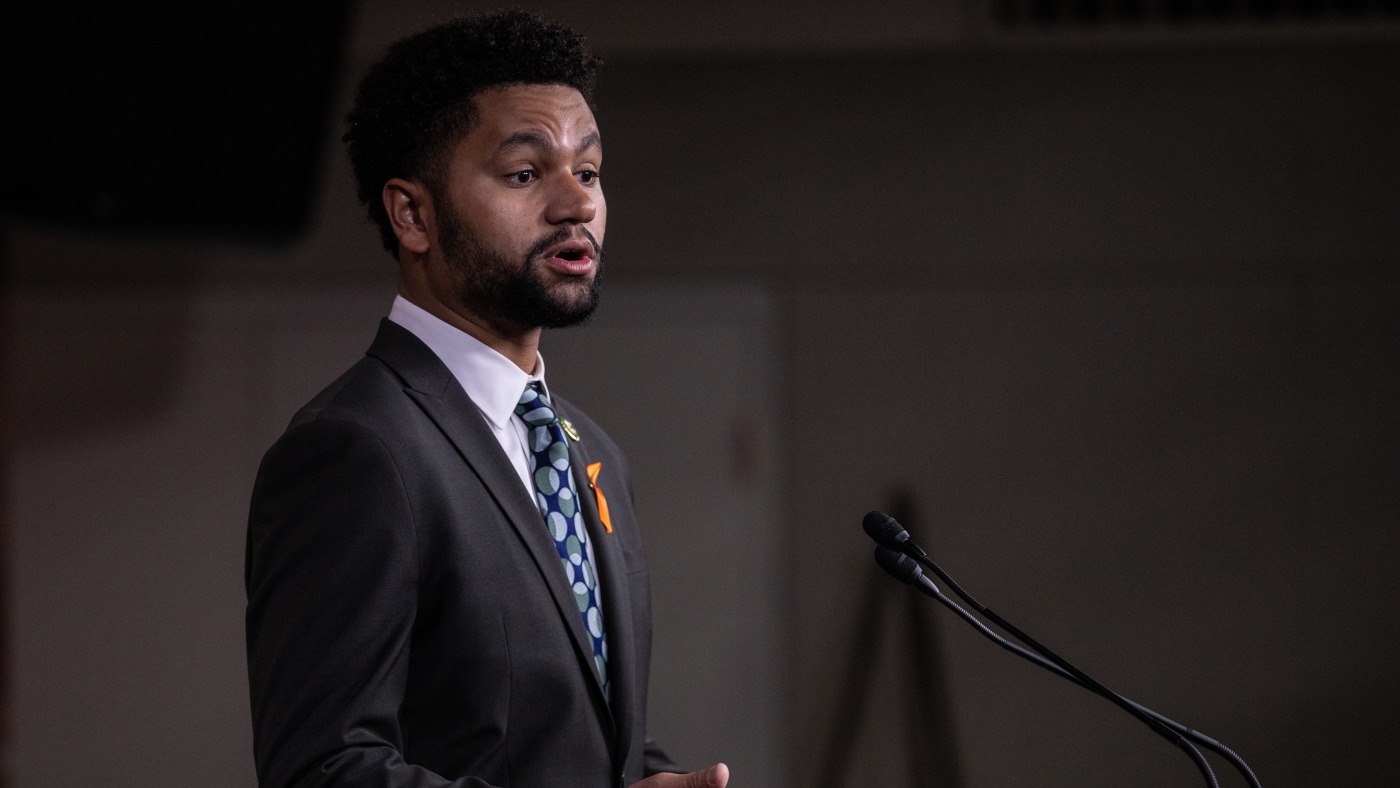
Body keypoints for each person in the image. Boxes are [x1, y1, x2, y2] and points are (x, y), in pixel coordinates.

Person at [244, 12, 729, 788]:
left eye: (591, 171)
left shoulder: (591, 450)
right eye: (525, 174)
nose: (577, 204)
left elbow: (583, 740)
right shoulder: (357, 447)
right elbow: (322, 770)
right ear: (414, 215)